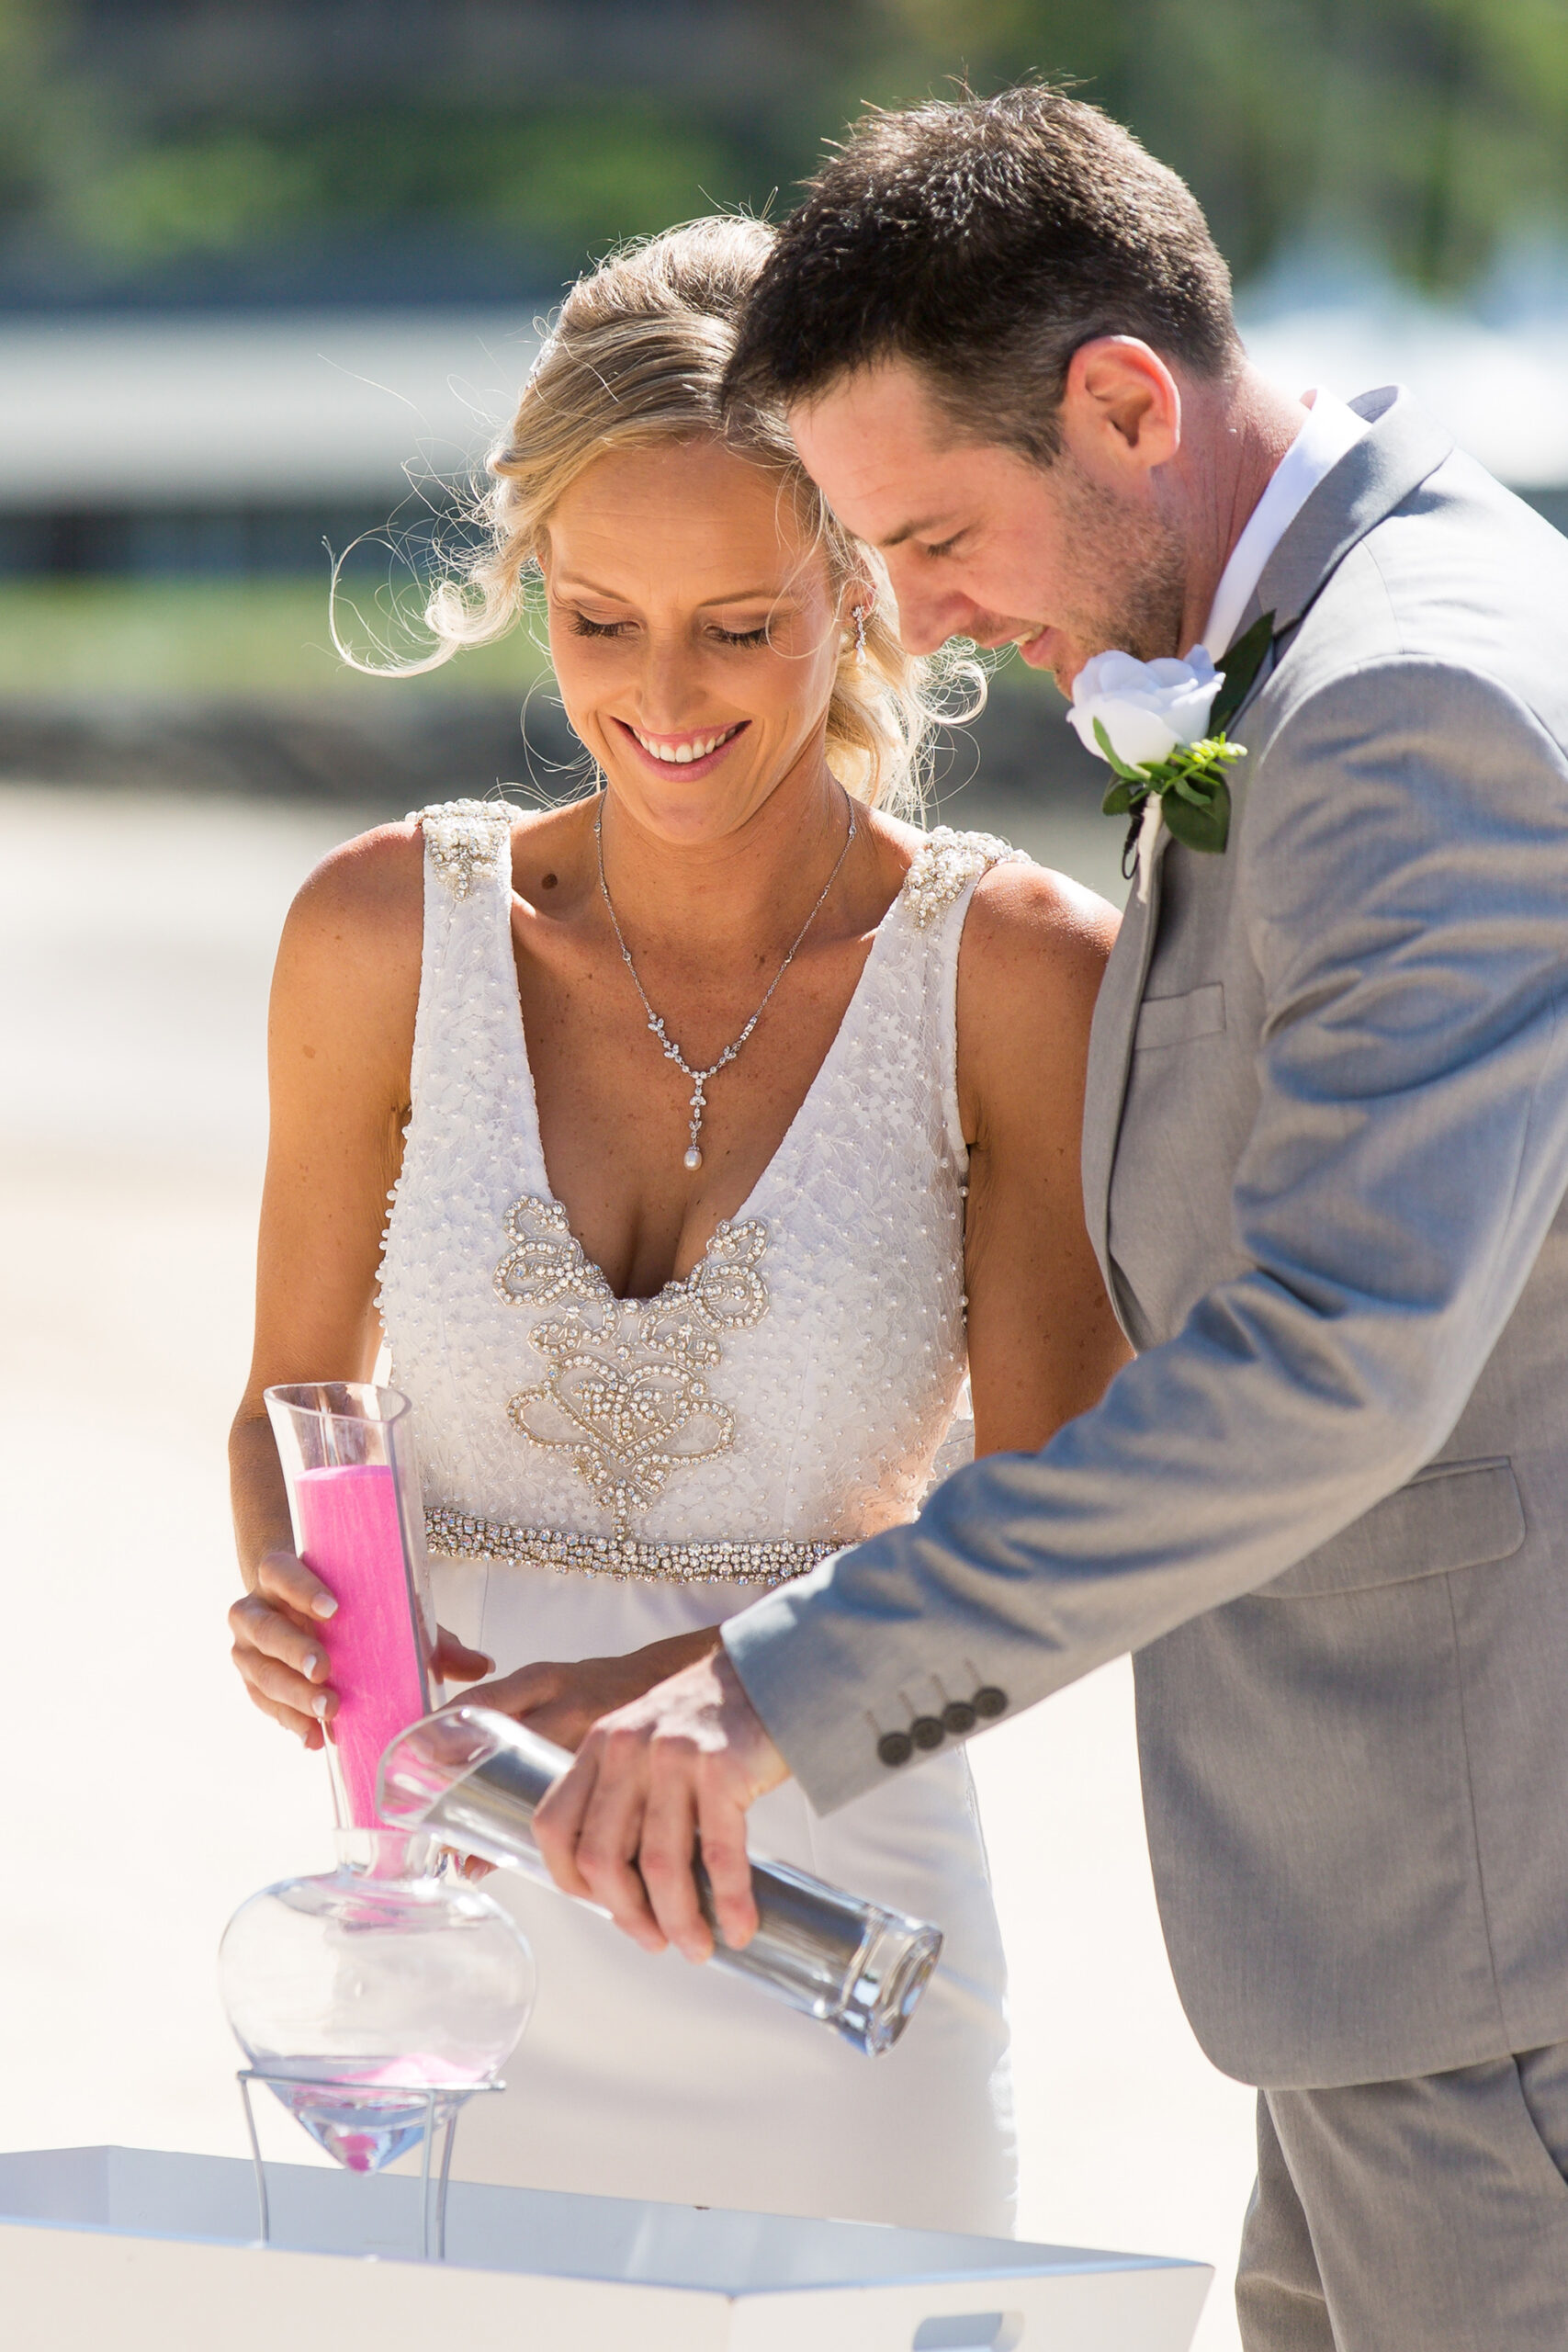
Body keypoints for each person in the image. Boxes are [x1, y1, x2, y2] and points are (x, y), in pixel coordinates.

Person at [528, 93, 1568, 2349]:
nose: (913, 618)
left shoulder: (1404, 697)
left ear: (1119, 401)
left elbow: (1336, 1354)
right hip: (1397, 1944)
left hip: (1507, 1953)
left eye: (925, 531)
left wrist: (770, 1692)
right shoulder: (1326, 648)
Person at [226, 217, 1126, 2233]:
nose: (663, 693)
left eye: (739, 621)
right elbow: (291, 1402)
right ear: (527, 578)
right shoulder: (379, 930)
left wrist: (689, 1689)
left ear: (864, 589)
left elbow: (1055, 1530)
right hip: (427, 1948)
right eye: (598, 617)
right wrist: (307, 1616)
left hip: (820, 1940)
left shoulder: (1013, 976)